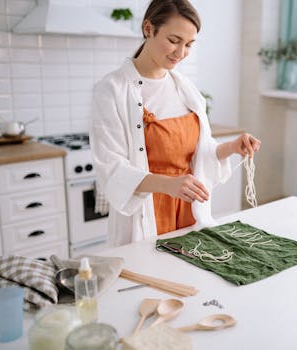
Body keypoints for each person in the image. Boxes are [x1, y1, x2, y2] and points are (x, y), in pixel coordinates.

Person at [90, 0, 261, 247]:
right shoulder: (111, 90)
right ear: (148, 29)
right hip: (145, 216)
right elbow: (112, 168)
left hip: (189, 214)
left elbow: (198, 154)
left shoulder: (185, 88)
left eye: (189, 44)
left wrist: (232, 148)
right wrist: (168, 185)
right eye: (173, 40)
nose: (181, 53)